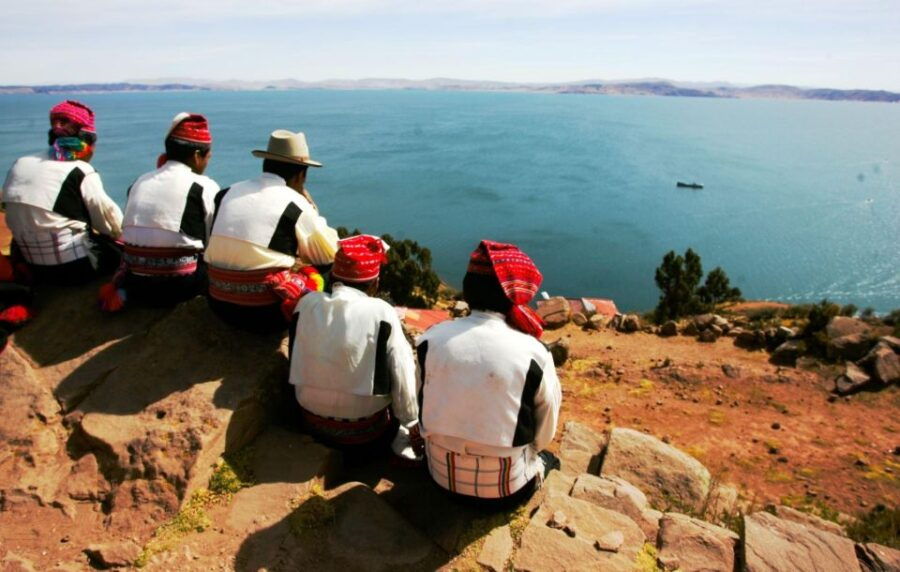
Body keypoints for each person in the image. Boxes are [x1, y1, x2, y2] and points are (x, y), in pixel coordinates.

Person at [416, 240, 561, 506]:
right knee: (551, 459)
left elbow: (420, 399)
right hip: (505, 491)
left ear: (468, 290)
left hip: (439, 477)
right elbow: (545, 428)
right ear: (514, 296)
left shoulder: (430, 339)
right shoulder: (533, 352)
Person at [288, 234, 420, 462]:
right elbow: (402, 370)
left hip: (311, 423)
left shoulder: (306, 304)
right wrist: (411, 421)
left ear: (335, 275)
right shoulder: (382, 312)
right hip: (368, 436)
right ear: (374, 283)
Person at [204, 129, 337, 332]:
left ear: (266, 163)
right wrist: (309, 203)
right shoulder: (294, 204)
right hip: (266, 314)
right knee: (329, 270)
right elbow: (326, 254)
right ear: (301, 175)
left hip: (217, 304)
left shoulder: (226, 193)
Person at [99, 113, 219, 310]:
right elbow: (210, 242)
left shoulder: (140, 181)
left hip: (135, 284)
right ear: (197, 155)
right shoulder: (203, 186)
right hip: (181, 287)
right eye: (207, 156)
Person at [1, 100, 122, 285]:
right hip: (74, 268)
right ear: (87, 141)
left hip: (31, 267)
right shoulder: (80, 170)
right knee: (121, 254)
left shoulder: (20, 163)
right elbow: (109, 224)